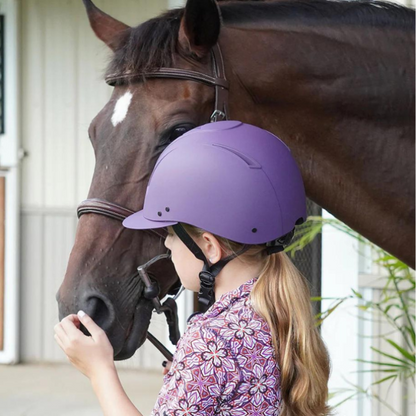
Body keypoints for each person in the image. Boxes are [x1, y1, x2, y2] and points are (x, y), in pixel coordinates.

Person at [54, 121, 331, 416]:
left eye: (172, 234)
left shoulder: (210, 339)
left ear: (209, 247)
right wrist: (194, 377)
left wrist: (99, 371)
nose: (169, 246)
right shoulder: (275, 313)